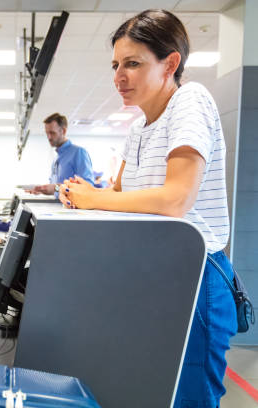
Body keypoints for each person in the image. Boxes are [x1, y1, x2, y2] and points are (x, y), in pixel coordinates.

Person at [60, 9, 236, 407]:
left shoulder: (191, 101)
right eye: (116, 65)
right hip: (152, 275)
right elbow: (120, 193)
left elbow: (176, 199)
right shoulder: (138, 126)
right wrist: (86, 192)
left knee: (191, 398)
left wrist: (96, 199)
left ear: (170, 63)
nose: (119, 77)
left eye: (133, 64)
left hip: (195, 278)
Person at [28, 113, 95, 195]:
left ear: (63, 131)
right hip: (58, 205)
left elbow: (87, 186)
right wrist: (42, 190)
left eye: (52, 133)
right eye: (47, 133)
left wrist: (55, 188)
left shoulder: (78, 153)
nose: (49, 137)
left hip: (72, 207)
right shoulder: (57, 158)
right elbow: (55, 188)